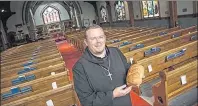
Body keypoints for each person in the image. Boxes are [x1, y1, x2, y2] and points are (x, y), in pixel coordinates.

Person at [73, 25, 132, 106]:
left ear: (105, 38)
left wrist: (135, 75)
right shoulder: (80, 67)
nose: (98, 41)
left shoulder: (116, 52)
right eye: (93, 38)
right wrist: (112, 95)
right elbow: (86, 100)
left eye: (100, 37)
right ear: (86, 42)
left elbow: (128, 71)